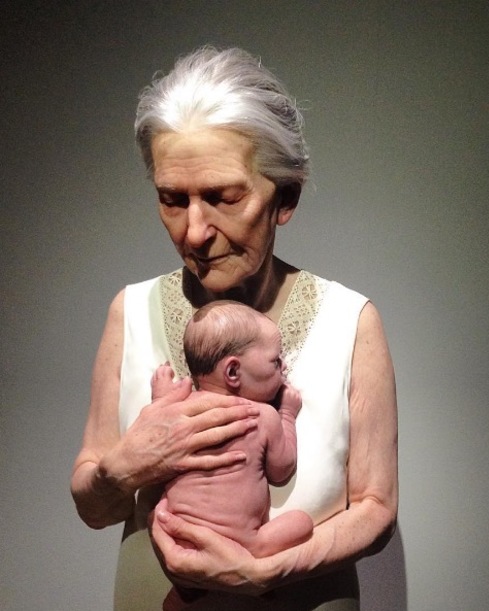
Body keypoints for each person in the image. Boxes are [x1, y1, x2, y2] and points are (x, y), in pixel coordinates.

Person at [70, 46, 398, 611]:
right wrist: (121, 468)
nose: (195, 231)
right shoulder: (131, 310)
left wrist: (269, 569)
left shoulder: (350, 321)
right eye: (172, 200)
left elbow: (377, 507)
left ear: (285, 198)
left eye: (223, 198)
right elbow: (95, 507)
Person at [153, 300, 313, 609]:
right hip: (242, 544)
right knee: (303, 523)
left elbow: (155, 436)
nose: (283, 367)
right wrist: (287, 414)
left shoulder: (177, 410)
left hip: (180, 537)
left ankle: (184, 592)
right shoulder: (261, 416)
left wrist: (160, 395)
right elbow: (282, 469)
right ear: (233, 371)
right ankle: (254, 580)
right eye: (275, 361)